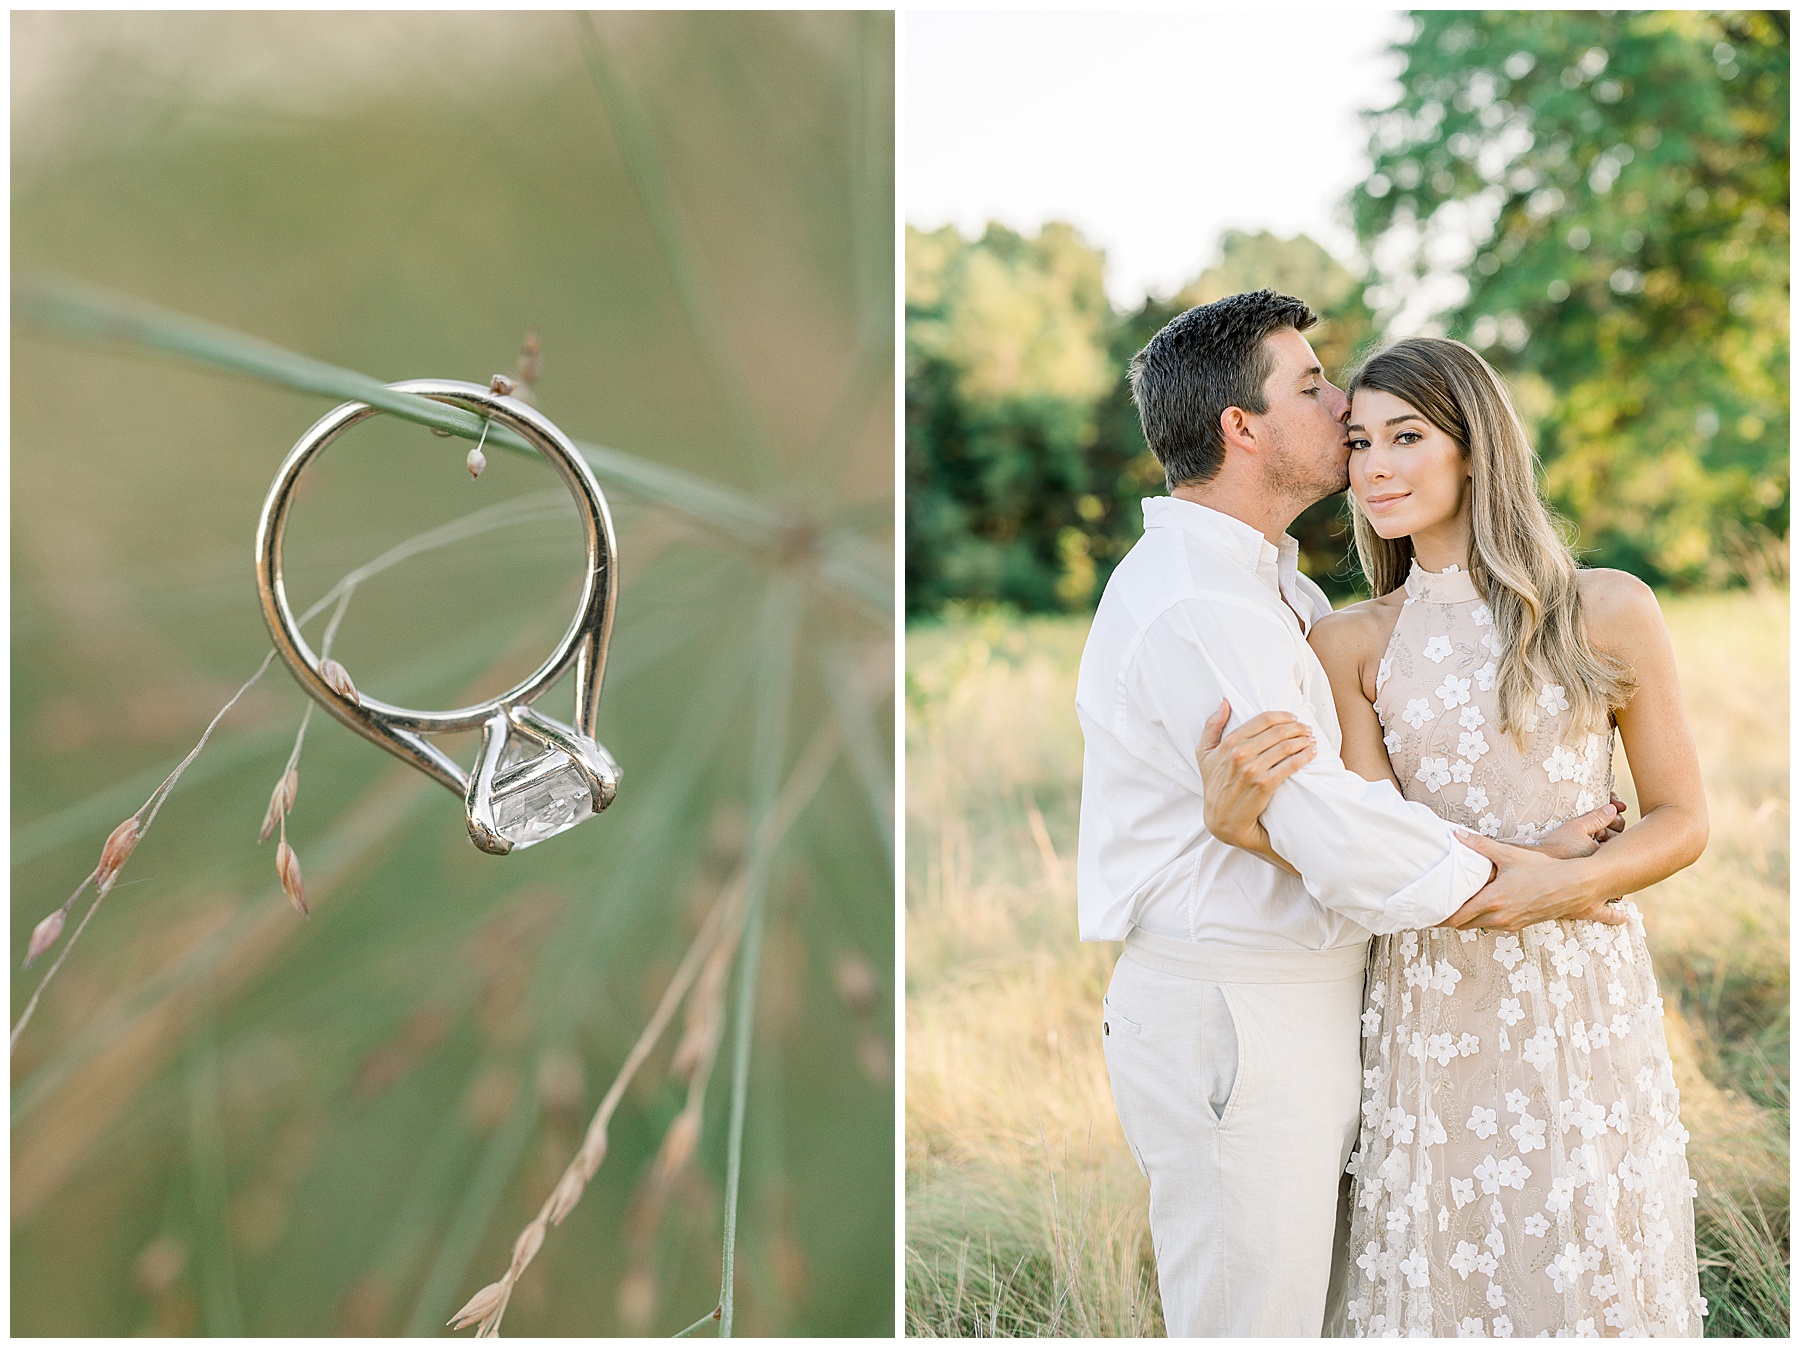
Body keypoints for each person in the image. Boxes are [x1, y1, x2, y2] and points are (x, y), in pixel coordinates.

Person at [1074, 291, 1623, 1338]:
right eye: (1314, 387)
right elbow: (1331, 828)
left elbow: (1348, 811)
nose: (1340, 408)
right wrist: (1536, 878)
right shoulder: (1200, 602)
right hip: (1238, 1003)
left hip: (1312, 1002)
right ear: (1243, 427)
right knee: (1254, 1323)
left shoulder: (1282, 593)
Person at [1202, 336, 1707, 1336]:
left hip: (1584, 997)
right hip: (1435, 1001)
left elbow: (1684, 820)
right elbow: (1373, 848)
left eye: (1407, 436)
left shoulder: (1605, 609)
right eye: (1359, 441)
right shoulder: (1349, 644)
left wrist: (1562, 885)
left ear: (1472, 448)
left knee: (1592, 1258)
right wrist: (1544, 863)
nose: (1376, 465)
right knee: (1455, 1269)